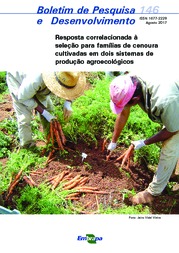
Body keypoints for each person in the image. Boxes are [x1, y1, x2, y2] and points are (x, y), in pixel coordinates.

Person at [107, 74, 179, 205]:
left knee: (170, 144)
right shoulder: (129, 83)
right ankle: (172, 173)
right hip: (173, 101)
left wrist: (144, 142)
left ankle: (153, 193)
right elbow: (124, 111)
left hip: (174, 101)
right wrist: (113, 141)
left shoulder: (164, 100)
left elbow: (172, 130)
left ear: (135, 99)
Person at [6, 71, 87, 148]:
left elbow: (71, 90)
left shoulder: (68, 75)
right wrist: (44, 113)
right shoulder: (36, 79)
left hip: (36, 86)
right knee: (25, 118)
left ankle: (52, 139)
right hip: (17, 80)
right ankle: (27, 146)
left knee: (50, 109)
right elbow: (22, 98)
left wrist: (68, 102)